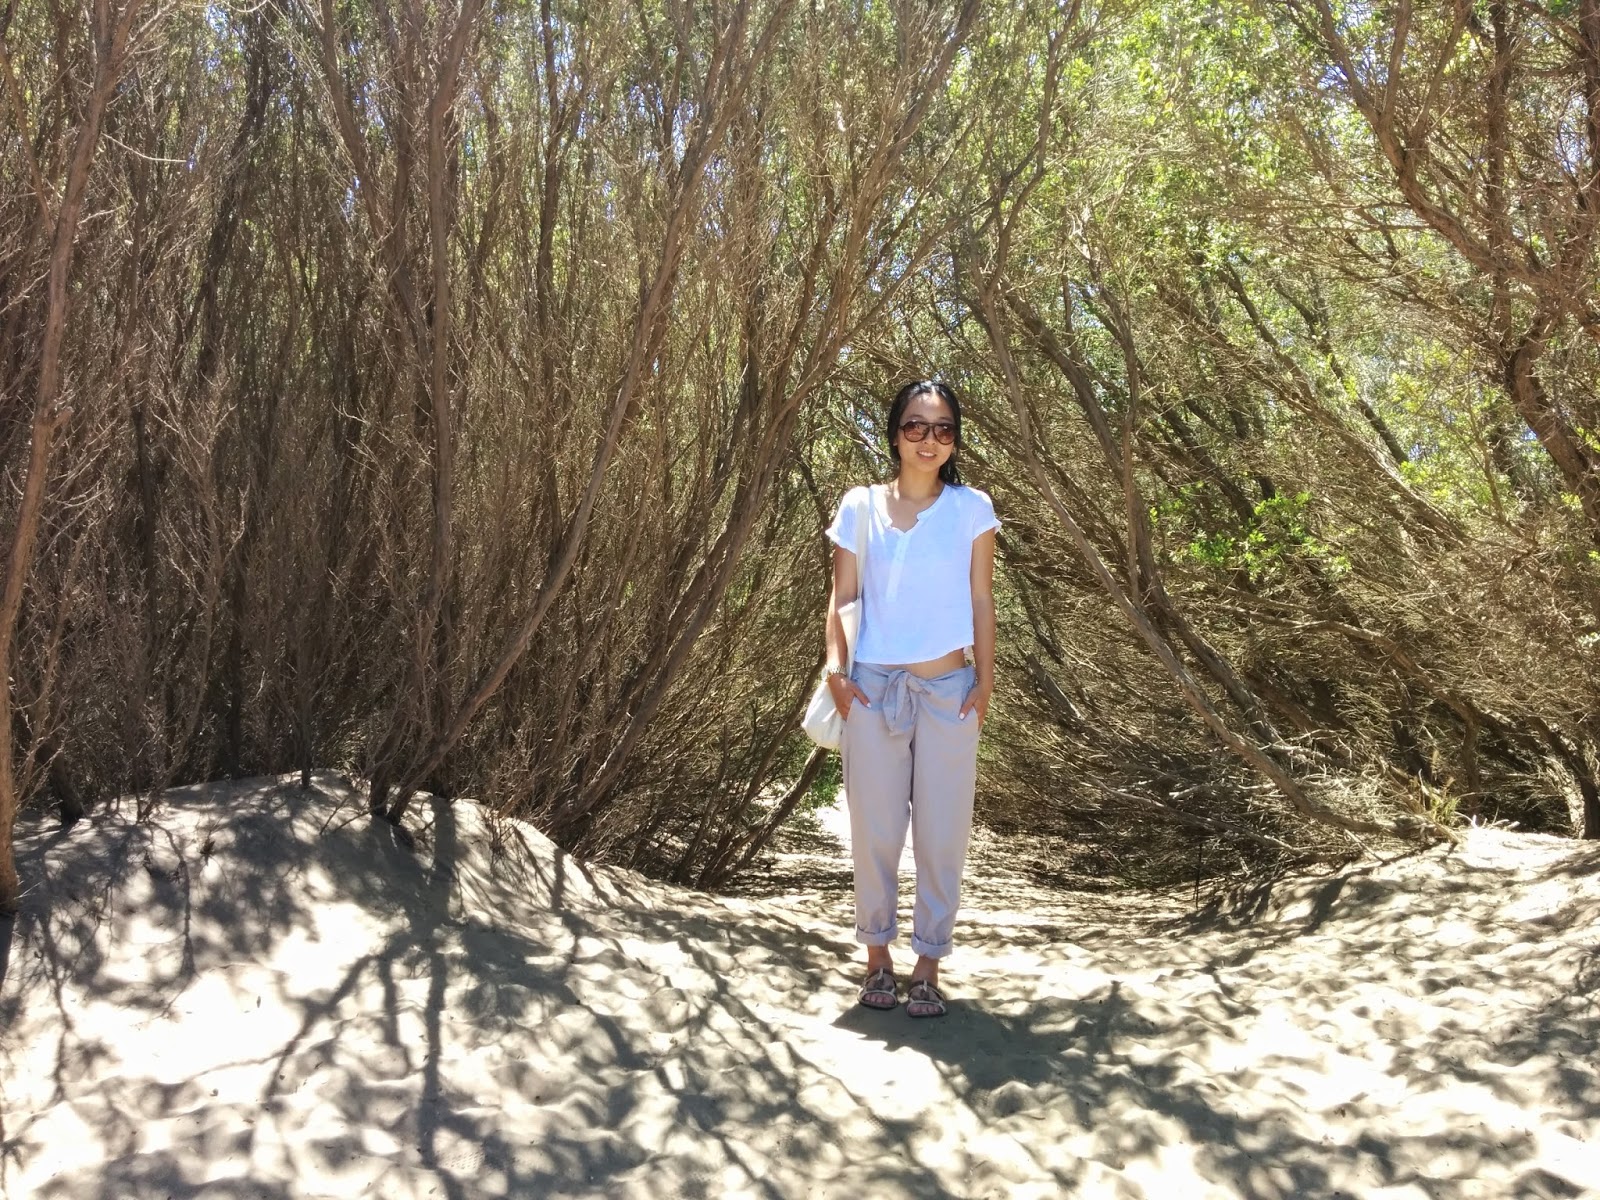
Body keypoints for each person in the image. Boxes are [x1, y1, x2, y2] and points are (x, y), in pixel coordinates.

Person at [823, 379, 999, 1018]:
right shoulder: (860, 505)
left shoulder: (972, 508)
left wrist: (985, 679)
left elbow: (981, 596)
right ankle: (877, 958)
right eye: (916, 426)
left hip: (950, 691)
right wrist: (836, 670)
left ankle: (928, 963)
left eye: (943, 428)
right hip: (871, 690)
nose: (930, 440)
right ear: (895, 433)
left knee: (942, 832)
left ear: (955, 439)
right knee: (874, 830)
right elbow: (843, 596)